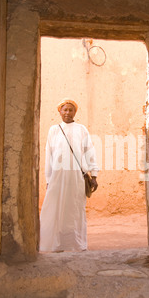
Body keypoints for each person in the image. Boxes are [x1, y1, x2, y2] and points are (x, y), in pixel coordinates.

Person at [40, 99, 99, 253]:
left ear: (75, 112)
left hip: (76, 177)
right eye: (64, 110)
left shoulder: (81, 129)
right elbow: (49, 155)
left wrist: (94, 175)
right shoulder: (54, 130)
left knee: (75, 208)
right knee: (57, 208)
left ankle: (76, 244)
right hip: (58, 176)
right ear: (59, 112)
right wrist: (48, 178)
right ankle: (57, 244)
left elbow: (89, 151)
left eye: (70, 110)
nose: (67, 113)